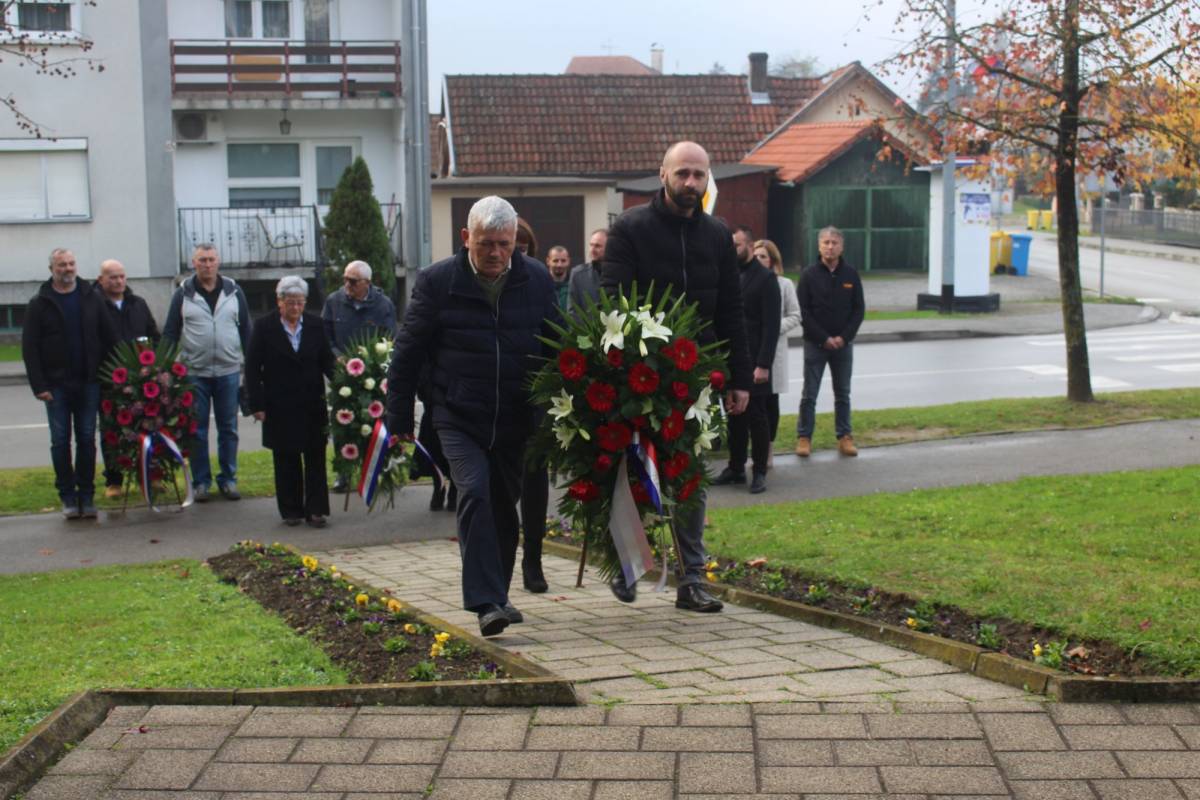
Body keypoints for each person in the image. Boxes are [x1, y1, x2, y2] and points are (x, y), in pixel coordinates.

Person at [386, 196, 559, 637]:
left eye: (505, 244)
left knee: (503, 507)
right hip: (458, 414)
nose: (497, 254)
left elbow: (559, 344)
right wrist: (399, 416)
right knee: (475, 493)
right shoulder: (437, 282)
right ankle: (485, 602)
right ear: (466, 239)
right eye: (486, 244)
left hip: (516, 416)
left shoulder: (536, 279)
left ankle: (498, 595)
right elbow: (407, 352)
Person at [602, 140, 753, 613]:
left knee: (689, 478)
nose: (691, 183)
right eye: (683, 173)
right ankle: (628, 567)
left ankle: (692, 580)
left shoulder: (717, 236)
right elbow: (611, 301)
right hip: (640, 374)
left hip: (698, 376)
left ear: (708, 180)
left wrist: (740, 378)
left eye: (699, 175)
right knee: (633, 471)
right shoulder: (630, 229)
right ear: (662, 173)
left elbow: (732, 310)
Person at [22, 249, 116, 519]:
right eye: (61, 265)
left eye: (71, 263)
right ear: (51, 268)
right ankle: (67, 496)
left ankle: (86, 495)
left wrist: (110, 377)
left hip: (89, 382)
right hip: (56, 386)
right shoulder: (39, 303)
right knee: (60, 441)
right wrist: (39, 385)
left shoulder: (92, 298)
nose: (67, 268)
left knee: (87, 439)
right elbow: (30, 349)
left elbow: (108, 338)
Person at [162, 244, 250, 502]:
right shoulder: (183, 294)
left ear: (218, 262)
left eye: (211, 260)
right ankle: (202, 482)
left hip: (228, 370)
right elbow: (170, 331)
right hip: (194, 373)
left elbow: (247, 330)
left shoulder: (234, 291)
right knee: (197, 430)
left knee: (229, 428)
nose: (207, 265)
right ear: (194, 263)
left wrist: (254, 364)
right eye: (202, 260)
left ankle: (229, 479)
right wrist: (161, 366)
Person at [245, 276, 335, 527]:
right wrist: (257, 404)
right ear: (279, 302)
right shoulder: (264, 327)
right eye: (290, 303)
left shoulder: (316, 325)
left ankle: (316, 510)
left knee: (315, 457)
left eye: (300, 302)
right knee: (286, 458)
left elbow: (327, 361)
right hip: (279, 403)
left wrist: (345, 386)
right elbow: (252, 368)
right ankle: (291, 510)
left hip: (311, 402)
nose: (295, 308)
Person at [712, 226, 779, 494]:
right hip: (731, 359)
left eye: (736, 245)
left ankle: (759, 470)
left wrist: (763, 364)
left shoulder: (765, 279)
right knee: (734, 416)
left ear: (749, 246)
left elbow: (771, 326)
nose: (732, 250)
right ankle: (736, 467)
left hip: (755, 361)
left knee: (756, 418)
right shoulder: (727, 275)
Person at [795, 226, 865, 458]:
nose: (830, 246)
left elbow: (858, 310)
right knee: (809, 394)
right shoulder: (808, 275)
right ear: (819, 246)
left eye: (834, 242)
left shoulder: (851, 275)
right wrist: (823, 338)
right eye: (826, 242)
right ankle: (804, 437)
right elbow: (802, 312)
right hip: (815, 345)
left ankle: (844, 437)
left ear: (841, 246)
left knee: (843, 393)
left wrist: (843, 338)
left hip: (843, 346)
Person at [94, 259, 161, 498]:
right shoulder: (93, 305)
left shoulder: (138, 304)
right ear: (101, 279)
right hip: (108, 380)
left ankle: (150, 476)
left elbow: (153, 336)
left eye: (122, 276)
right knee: (112, 431)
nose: (118, 281)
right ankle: (114, 481)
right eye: (112, 277)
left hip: (140, 381)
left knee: (146, 429)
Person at [754, 239, 802, 459]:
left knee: (770, 402)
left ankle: (769, 449)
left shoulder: (784, 284)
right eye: (755, 256)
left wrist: (773, 328)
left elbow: (795, 315)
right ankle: (754, 449)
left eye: (763, 256)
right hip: (751, 350)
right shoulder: (745, 281)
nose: (758, 260)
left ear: (772, 261)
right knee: (753, 404)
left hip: (775, 352)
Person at [320, 260, 397, 355]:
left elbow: (390, 339)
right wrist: (337, 356)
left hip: (372, 366)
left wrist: (374, 361)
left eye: (353, 281)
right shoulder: (333, 301)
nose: (347, 284)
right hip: (339, 365)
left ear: (367, 282)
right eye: (345, 279)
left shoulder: (384, 305)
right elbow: (325, 335)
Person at [568, 228, 608, 311]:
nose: (592, 250)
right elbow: (573, 310)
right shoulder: (578, 274)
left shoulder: (618, 274)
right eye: (591, 245)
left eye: (597, 246)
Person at [545, 245, 571, 309]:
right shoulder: (541, 284)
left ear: (568, 261)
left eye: (563, 261)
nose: (559, 265)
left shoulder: (574, 285)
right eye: (555, 261)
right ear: (548, 261)